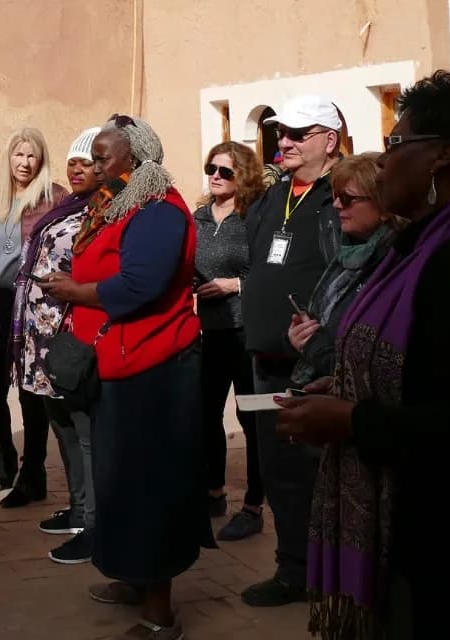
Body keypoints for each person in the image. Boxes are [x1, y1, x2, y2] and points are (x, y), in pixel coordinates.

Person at [277, 70, 450, 638]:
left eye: (396, 144)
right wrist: (347, 387)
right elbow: (419, 372)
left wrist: (353, 420)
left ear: (442, 155)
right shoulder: (417, 243)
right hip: (413, 532)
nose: (384, 160)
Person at [40, 115, 213, 640]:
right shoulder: (122, 206)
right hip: (118, 362)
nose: (94, 166)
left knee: (149, 487)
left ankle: (160, 613)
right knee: (119, 482)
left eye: (103, 157)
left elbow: (140, 284)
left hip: (154, 368)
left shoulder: (160, 211)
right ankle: (132, 576)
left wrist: (72, 291)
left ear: (136, 159)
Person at [239, 94, 343, 607]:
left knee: (320, 471)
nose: (285, 142)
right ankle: (293, 569)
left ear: (330, 138)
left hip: (315, 364)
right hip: (265, 360)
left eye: (299, 134)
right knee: (280, 470)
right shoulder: (273, 194)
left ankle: (333, 573)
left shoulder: (343, 195)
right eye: (282, 133)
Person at [12, 126, 101, 564]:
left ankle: (95, 522)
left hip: (71, 334)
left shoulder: (101, 212)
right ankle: (80, 506)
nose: (78, 169)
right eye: (73, 162)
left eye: (87, 162)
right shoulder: (67, 207)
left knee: (85, 432)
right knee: (61, 427)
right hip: (41, 336)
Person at [0, 127, 69, 505]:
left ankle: (34, 475)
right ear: (8, 158)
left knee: (32, 390)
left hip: (33, 306)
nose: (24, 163)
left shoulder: (55, 198)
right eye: (18, 155)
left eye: (32, 155)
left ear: (41, 159)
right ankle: (3, 461)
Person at [193, 141, 265, 542]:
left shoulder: (253, 218)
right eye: (212, 168)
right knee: (205, 414)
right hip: (210, 334)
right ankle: (213, 491)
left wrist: (233, 284)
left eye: (226, 171)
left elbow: (269, 275)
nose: (216, 177)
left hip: (247, 333)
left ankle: (254, 504)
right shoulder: (198, 217)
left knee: (251, 418)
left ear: (244, 177)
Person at [286, 152, 403, 390]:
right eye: (335, 196)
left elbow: (373, 360)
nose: (337, 205)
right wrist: (302, 336)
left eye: (347, 198)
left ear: (382, 203)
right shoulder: (346, 251)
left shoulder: (395, 261)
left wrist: (314, 346)